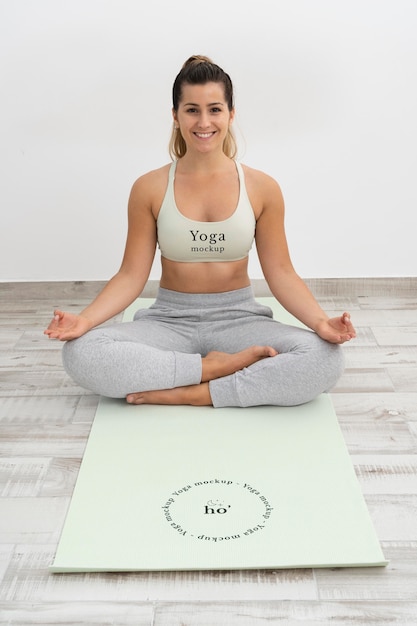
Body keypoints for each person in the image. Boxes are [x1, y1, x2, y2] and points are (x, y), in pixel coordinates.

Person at [44, 55, 356, 408]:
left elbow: (281, 272)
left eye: (215, 109)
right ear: (175, 116)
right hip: (168, 321)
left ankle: (197, 392)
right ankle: (213, 368)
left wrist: (320, 323)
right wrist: (84, 320)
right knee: (81, 353)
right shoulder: (149, 188)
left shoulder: (262, 188)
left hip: (238, 318)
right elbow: (131, 275)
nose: (204, 122)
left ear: (231, 114)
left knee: (324, 358)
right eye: (192, 110)